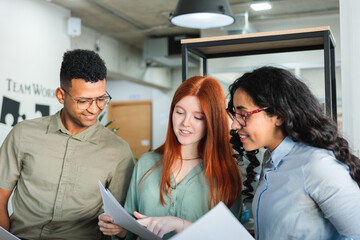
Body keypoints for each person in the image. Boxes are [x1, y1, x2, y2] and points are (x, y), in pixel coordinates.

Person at [0, 49, 134, 239]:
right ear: (61, 95)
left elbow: (124, 221)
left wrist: (119, 229)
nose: (94, 108)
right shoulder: (23, 134)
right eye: (84, 101)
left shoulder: (118, 151)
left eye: (101, 99)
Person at [98, 75, 243, 239]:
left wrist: (179, 224)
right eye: (179, 112)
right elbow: (131, 230)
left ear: (213, 122)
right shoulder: (146, 164)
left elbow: (230, 236)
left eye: (198, 117)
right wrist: (119, 229)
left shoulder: (227, 174)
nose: (185, 123)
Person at [227, 66, 360, 240]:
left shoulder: (317, 164)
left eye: (244, 114)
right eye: (234, 115)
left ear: (279, 116)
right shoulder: (271, 159)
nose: (234, 126)